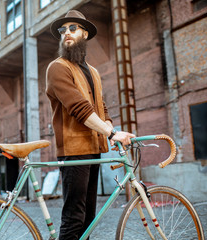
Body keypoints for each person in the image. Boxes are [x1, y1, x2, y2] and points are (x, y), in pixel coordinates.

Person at [45, 10, 136, 239]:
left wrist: (109, 129)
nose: (66, 33)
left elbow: (100, 107)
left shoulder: (93, 72)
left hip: (93, 149)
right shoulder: (58, 67)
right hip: (73, 151)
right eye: (62, 30)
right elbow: (79, 108)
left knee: (88, 217)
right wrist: (112, 132)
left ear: (84, 34)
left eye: (72, 28)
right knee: (74, 218)